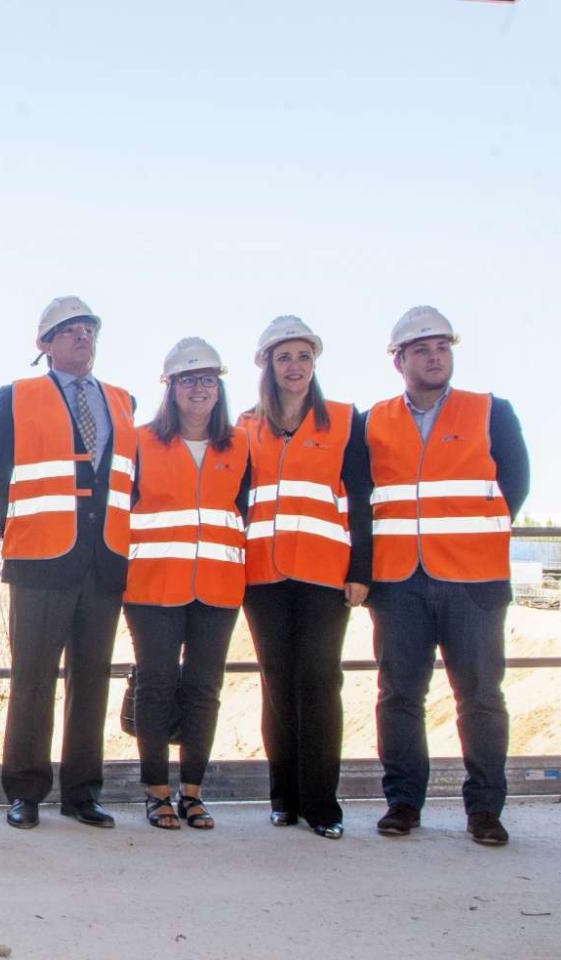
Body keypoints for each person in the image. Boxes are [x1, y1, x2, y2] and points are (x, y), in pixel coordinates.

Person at [365, 306, 528, 846]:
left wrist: (473, 539)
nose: (435, 357)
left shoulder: (490, 411)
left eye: (442, 348)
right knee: (398, 696)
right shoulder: (373, 421)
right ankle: (403, 803)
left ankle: (485, 810)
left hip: (474, 582)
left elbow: (515, 486)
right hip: (399, 582)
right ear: (399, 361)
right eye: (422, 350)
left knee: (480, 697)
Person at [0, 295, 136, 830]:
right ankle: (24, 791)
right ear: (44, 344)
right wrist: (20, 530)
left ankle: (82, 793)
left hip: (104, 561)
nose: (82, 337)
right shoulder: (17, 396)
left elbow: (128, 480)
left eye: (88, 329)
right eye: (69, 330)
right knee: (32, 681)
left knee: (91, 681)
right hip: (39, 561)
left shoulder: (122, 400)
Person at [238, 316, 371, 840]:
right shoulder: (246, 426)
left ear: (315, 363)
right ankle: (283, 798)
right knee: (277, 683)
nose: (294, 367)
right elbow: (235, 501)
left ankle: (321, 803)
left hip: (324, 575)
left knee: (319, 682)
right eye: (284, 357)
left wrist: (361, 570)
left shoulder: (344, 420)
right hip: (262, 576)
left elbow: (360, 499)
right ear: (268, 366)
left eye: (303, 356)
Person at [125, 339, 249, 832]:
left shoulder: (240, 445)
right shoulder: (140, 442)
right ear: (171, 388)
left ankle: (193, 793)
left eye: (207, 380)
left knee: (204, 689)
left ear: (219, 388)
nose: (199, 389)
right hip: (152, 586)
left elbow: (247, 511)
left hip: (218, 587)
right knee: (155, 685)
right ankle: (156, 792)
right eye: (188, 380)